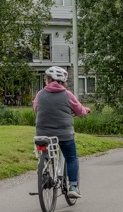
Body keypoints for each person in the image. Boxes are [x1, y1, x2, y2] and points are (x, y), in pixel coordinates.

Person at [33, 66, 90, 198]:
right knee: (71, 158)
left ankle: (43, 168)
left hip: (43, 133)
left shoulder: (40, 94)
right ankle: (73, 187)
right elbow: (79, 110)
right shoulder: (67, 94)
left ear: (48, 80)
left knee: (46, 151)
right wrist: (86, 110)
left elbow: (36, 108)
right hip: (64, 133)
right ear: (63, 81)